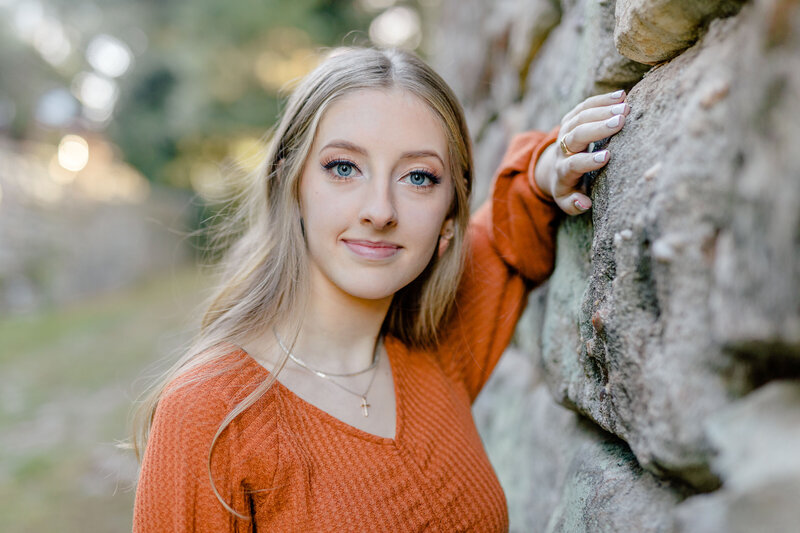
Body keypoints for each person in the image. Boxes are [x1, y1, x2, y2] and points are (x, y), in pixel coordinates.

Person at [131, 46, 629, 532]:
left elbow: (508, 221)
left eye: (418, 177)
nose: (380, 210)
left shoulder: (438, 347)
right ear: (292, 184)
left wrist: (550, 167)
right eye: (343, 167)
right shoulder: (210, 411)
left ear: (448, 218)